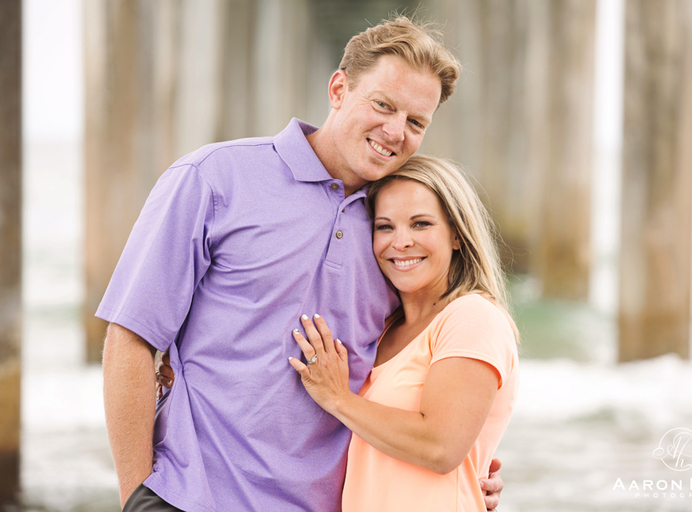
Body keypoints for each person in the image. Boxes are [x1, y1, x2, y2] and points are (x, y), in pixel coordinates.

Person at [98, 15, 503, 512]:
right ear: (338, 88)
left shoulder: (396, 234)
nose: (395, 131)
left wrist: (463, 475)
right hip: (193, 497)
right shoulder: (214, 179)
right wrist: (137, 496)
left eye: (416, 122)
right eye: (383, 104)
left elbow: (418, 378)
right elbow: (132, 337)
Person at [288, 155, 519, 511]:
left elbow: (440, 448)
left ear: (457, 234)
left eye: (421, 224)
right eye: (384, 227)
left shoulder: (473, 317)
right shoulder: (382, 328)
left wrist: (338, 399)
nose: (401, 242)